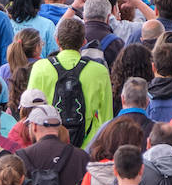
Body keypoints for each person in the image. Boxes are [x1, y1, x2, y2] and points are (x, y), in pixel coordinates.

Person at [27, 18, 114, 149]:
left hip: (47, 143)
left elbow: (30, 108)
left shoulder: (40, 67)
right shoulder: (99, 71)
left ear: (57, 41)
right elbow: (106, 117)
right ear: (84, 42)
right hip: (87, 146)